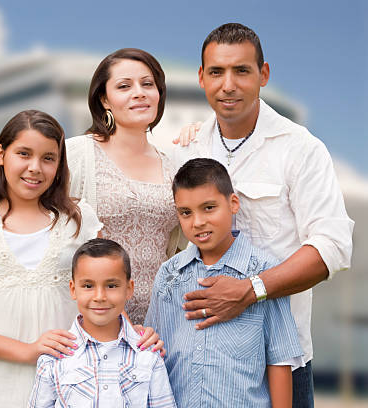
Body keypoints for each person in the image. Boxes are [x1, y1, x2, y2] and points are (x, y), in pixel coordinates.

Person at [173, 23, 354, 407]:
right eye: (217, 72)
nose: (228, 85)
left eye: (242, 70)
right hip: (200, 362)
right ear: (201, 78)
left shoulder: (301, 149)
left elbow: (331, 248)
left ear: (264, 75)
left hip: (280, 361)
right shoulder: (185, 149)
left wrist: (248, 291)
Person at [0, 48, 186, 325]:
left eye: (148, 84)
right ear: (105, 100)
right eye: (124, 86)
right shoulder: (74, 154)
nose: (139, 92)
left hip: (162, 320)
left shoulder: (175, 167)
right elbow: (19, 195)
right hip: (90, 321)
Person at [0, 110, 104, 407]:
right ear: (1, 154)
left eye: (48, 158)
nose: (35, 168)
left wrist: (137, 336)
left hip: (68, 384)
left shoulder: (80, 220)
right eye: (23, 154)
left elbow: (104, 296)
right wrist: (27, 351)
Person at [146, 158, 303, 407]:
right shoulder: (170, 274)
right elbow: (155, 354)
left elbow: (280, 360)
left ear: (233, 204)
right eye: (186, 212)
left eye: (209, 208)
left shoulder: (265, 272)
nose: (197, 222)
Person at [29, 238, 176, 408]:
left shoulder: (148, 353)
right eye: (88, 286)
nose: (99, 296)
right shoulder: (55, 356)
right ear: (73, 289)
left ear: (128, 289)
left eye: (111, 285)